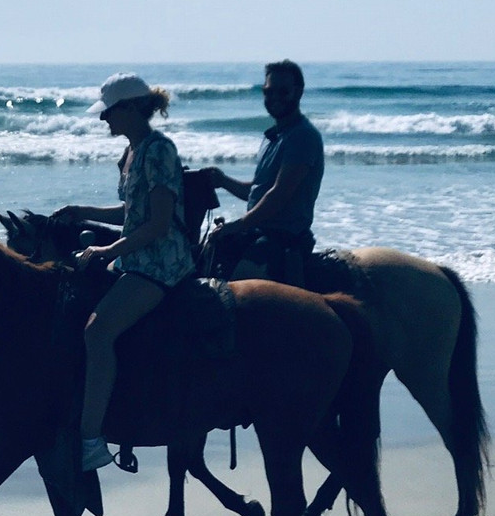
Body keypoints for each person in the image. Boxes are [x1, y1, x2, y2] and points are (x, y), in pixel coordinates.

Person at [54, 72, 196, 470]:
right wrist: (81, 211)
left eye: (110, 112)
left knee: (97, 332)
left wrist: (108, 249)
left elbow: (159, 224)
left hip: (162, 262)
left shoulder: (159, 150)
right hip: (135, 257)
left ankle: (92, 439)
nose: (103, 120)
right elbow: (131, 213)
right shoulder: (131, 152)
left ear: (133, 109)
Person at [203, 59, 324, 285]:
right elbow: (259, 191)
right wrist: (223, 181)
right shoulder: (273, 137)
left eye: (283, 91)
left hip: (283, 238)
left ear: (299, 92)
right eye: (268, 92)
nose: (274, 97)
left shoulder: (302, 137)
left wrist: (237, 225)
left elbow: (278, 195)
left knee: (237, 290)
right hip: (258, 231)